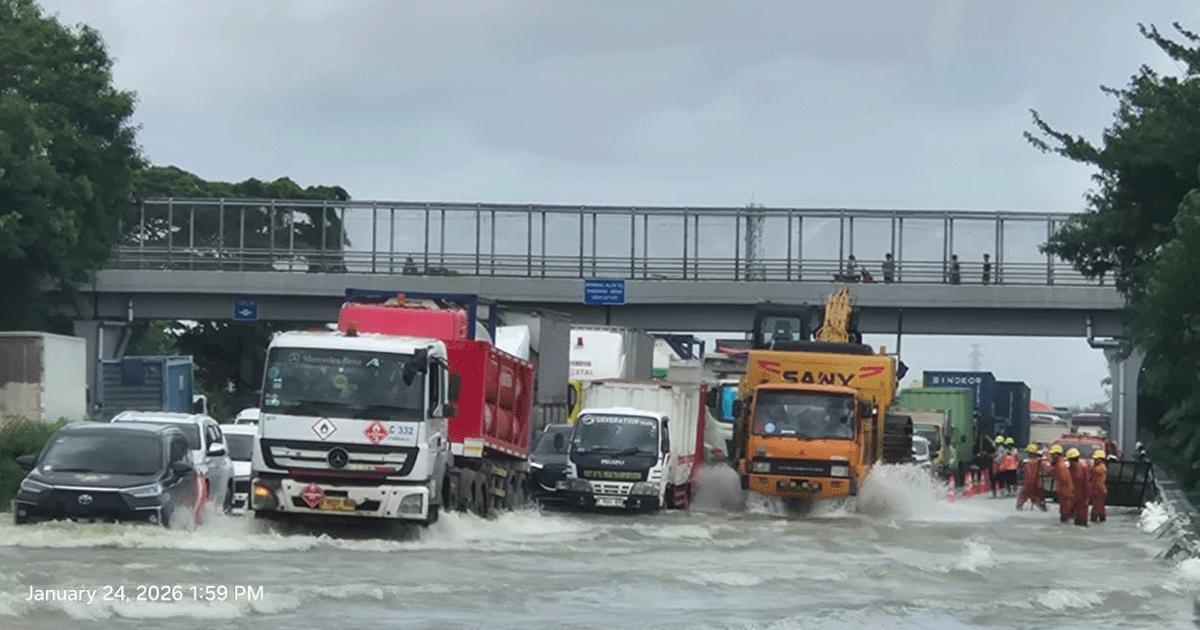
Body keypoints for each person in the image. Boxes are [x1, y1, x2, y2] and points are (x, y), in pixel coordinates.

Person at [1016, 443, 1047, 511]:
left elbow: (1028, 476)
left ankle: (1019, 507)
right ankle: (1042, 507)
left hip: (1030, 483)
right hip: (1037, 483)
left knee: (1024, 496)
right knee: (1035, 497)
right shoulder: (1038, 461)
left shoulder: (1029, 462)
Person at [1049, 444, 1073, 523]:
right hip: (1063, 491)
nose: (1051, 456)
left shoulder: (1061, 466)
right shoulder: (1059, 463)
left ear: (1057, 454)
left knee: (1065, 510)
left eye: (1053, 454)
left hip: (1065, 491)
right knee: (1064, 509)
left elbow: (1063, 479)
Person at [1067, 448, 1089, 527]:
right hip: (1072, 498)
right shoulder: (1069, 469)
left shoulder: (1083, 468)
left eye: (1071, 460)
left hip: (1081, 499)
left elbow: (1087, 484)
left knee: (1082, 519)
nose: (1070, 462)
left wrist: (1087, 498)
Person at [1090, 450, 1108, 523]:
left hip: (1099, 491)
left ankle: (1096, 518)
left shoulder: (1100, 467)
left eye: (1096, 459)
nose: (1095, 460)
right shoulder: (1099, 467)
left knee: (1096, 508)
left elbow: (1093, 472)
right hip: (1097, 491)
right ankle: (1101, 518)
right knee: (1100, 508)